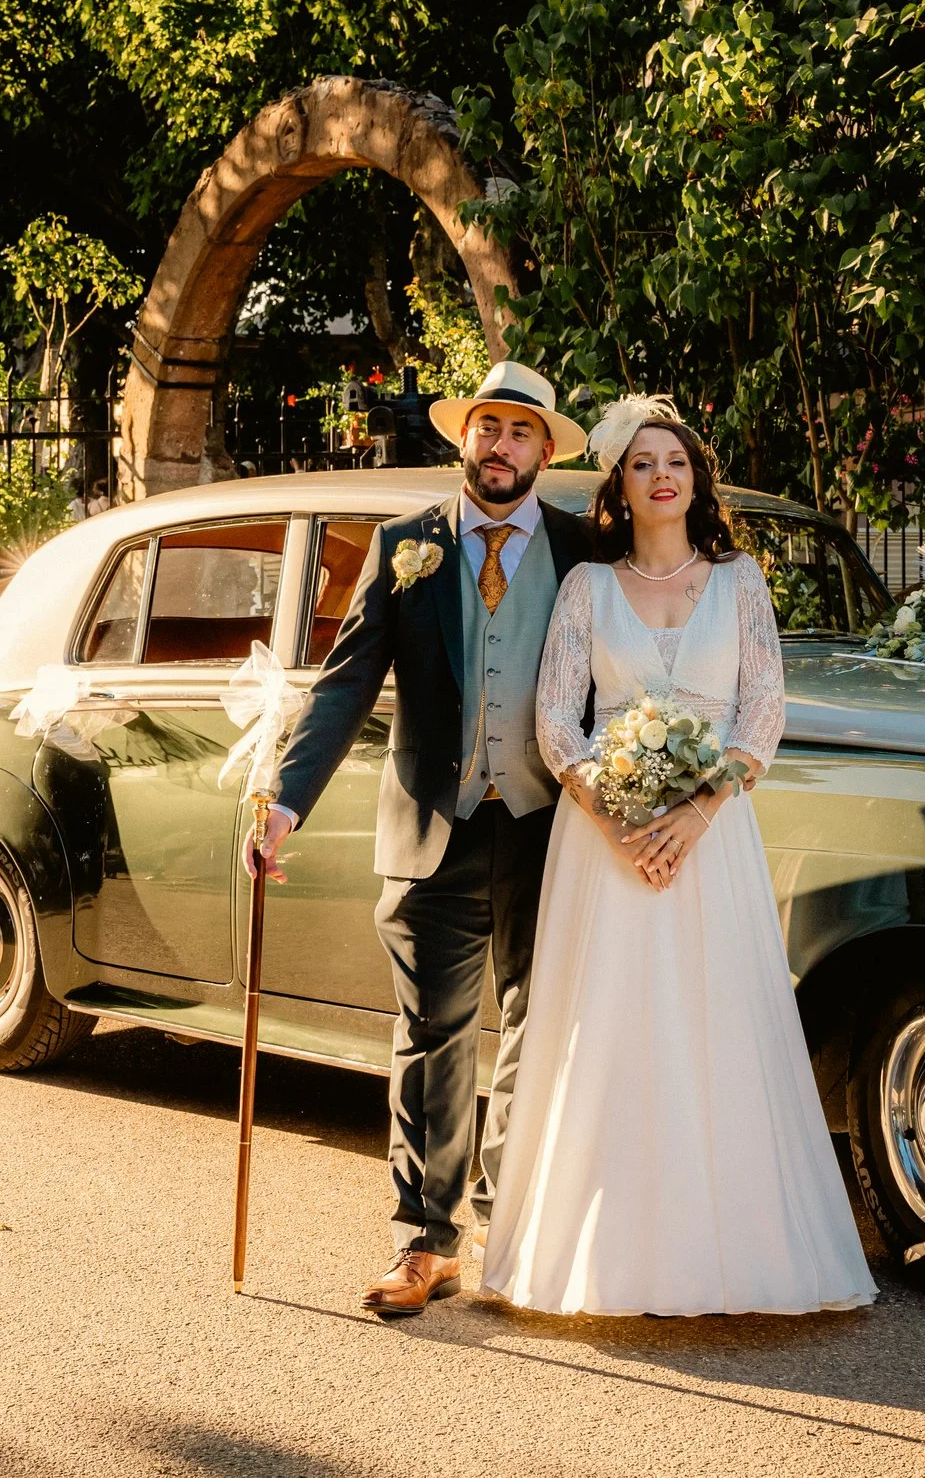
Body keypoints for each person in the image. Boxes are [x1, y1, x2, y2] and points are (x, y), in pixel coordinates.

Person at [480, 397, 877, 1316]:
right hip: (603, 844)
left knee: (717, 1028)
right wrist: (615, 821)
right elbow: (554, 720)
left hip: (712, 838)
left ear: (697, 483)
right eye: (643, 463)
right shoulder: (586, 590)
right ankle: (598, 1256)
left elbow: (762, 714)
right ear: (620, 485)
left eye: (679, 462)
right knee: (611, 1032)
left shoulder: (741, 584)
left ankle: (730, 1252)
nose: (663, 475)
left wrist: (695, 815)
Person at [254, 361, 599, 1316]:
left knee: (540, 1026)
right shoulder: (403, 544)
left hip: (549, 825)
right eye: (487, 426)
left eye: (520, 431)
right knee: (433, 1032)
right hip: (433, 828)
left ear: (543, 450)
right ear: (464, 438)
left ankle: (504, 1219)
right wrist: (285, 800)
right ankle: (425, 1238)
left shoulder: (582, 551)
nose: (501, 445)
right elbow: (346, 683)